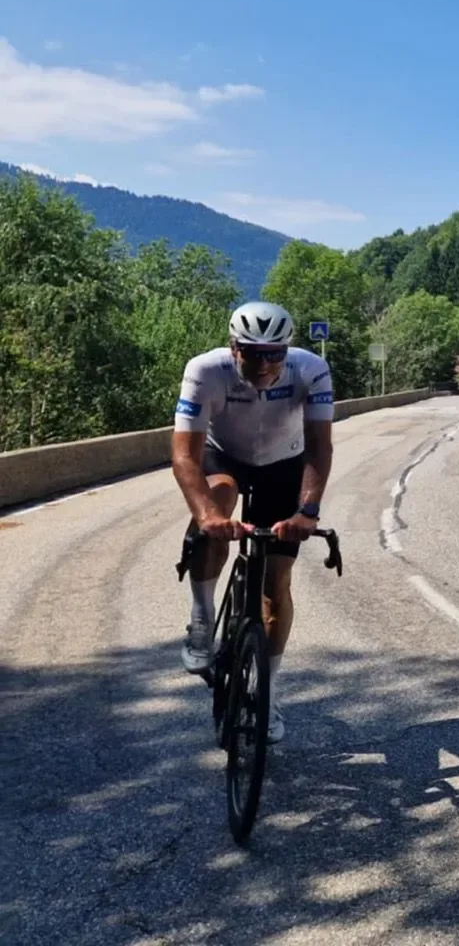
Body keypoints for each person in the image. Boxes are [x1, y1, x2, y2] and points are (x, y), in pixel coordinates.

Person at [172, 300, 334, 746]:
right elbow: (184, 453)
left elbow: (320, 449)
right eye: (252, 352)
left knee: (276, 586)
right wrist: (205, 514)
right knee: (218, 499)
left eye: (274, 354)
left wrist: (307, 512)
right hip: (224, 456)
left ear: (286, 349)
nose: (264, 364)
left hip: (284, 465)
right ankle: (202, 617)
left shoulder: (311, 369)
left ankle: (268, 691)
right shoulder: (205, 370)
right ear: (233, 347)